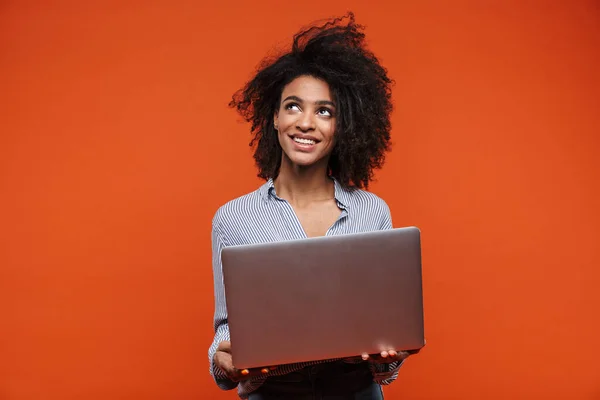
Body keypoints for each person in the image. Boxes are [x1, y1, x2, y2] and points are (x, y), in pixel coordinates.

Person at [208, 12, 421, 400]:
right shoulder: (233, 217)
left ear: (343, 127)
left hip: (355, 390)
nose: (306, 123)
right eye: (293, 106)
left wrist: (389, 356)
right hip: (273, 392)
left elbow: (383, 335)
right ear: (273, 116)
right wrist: (220, 358)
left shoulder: (372, 212)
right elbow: (227, 328)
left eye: (325, 111)